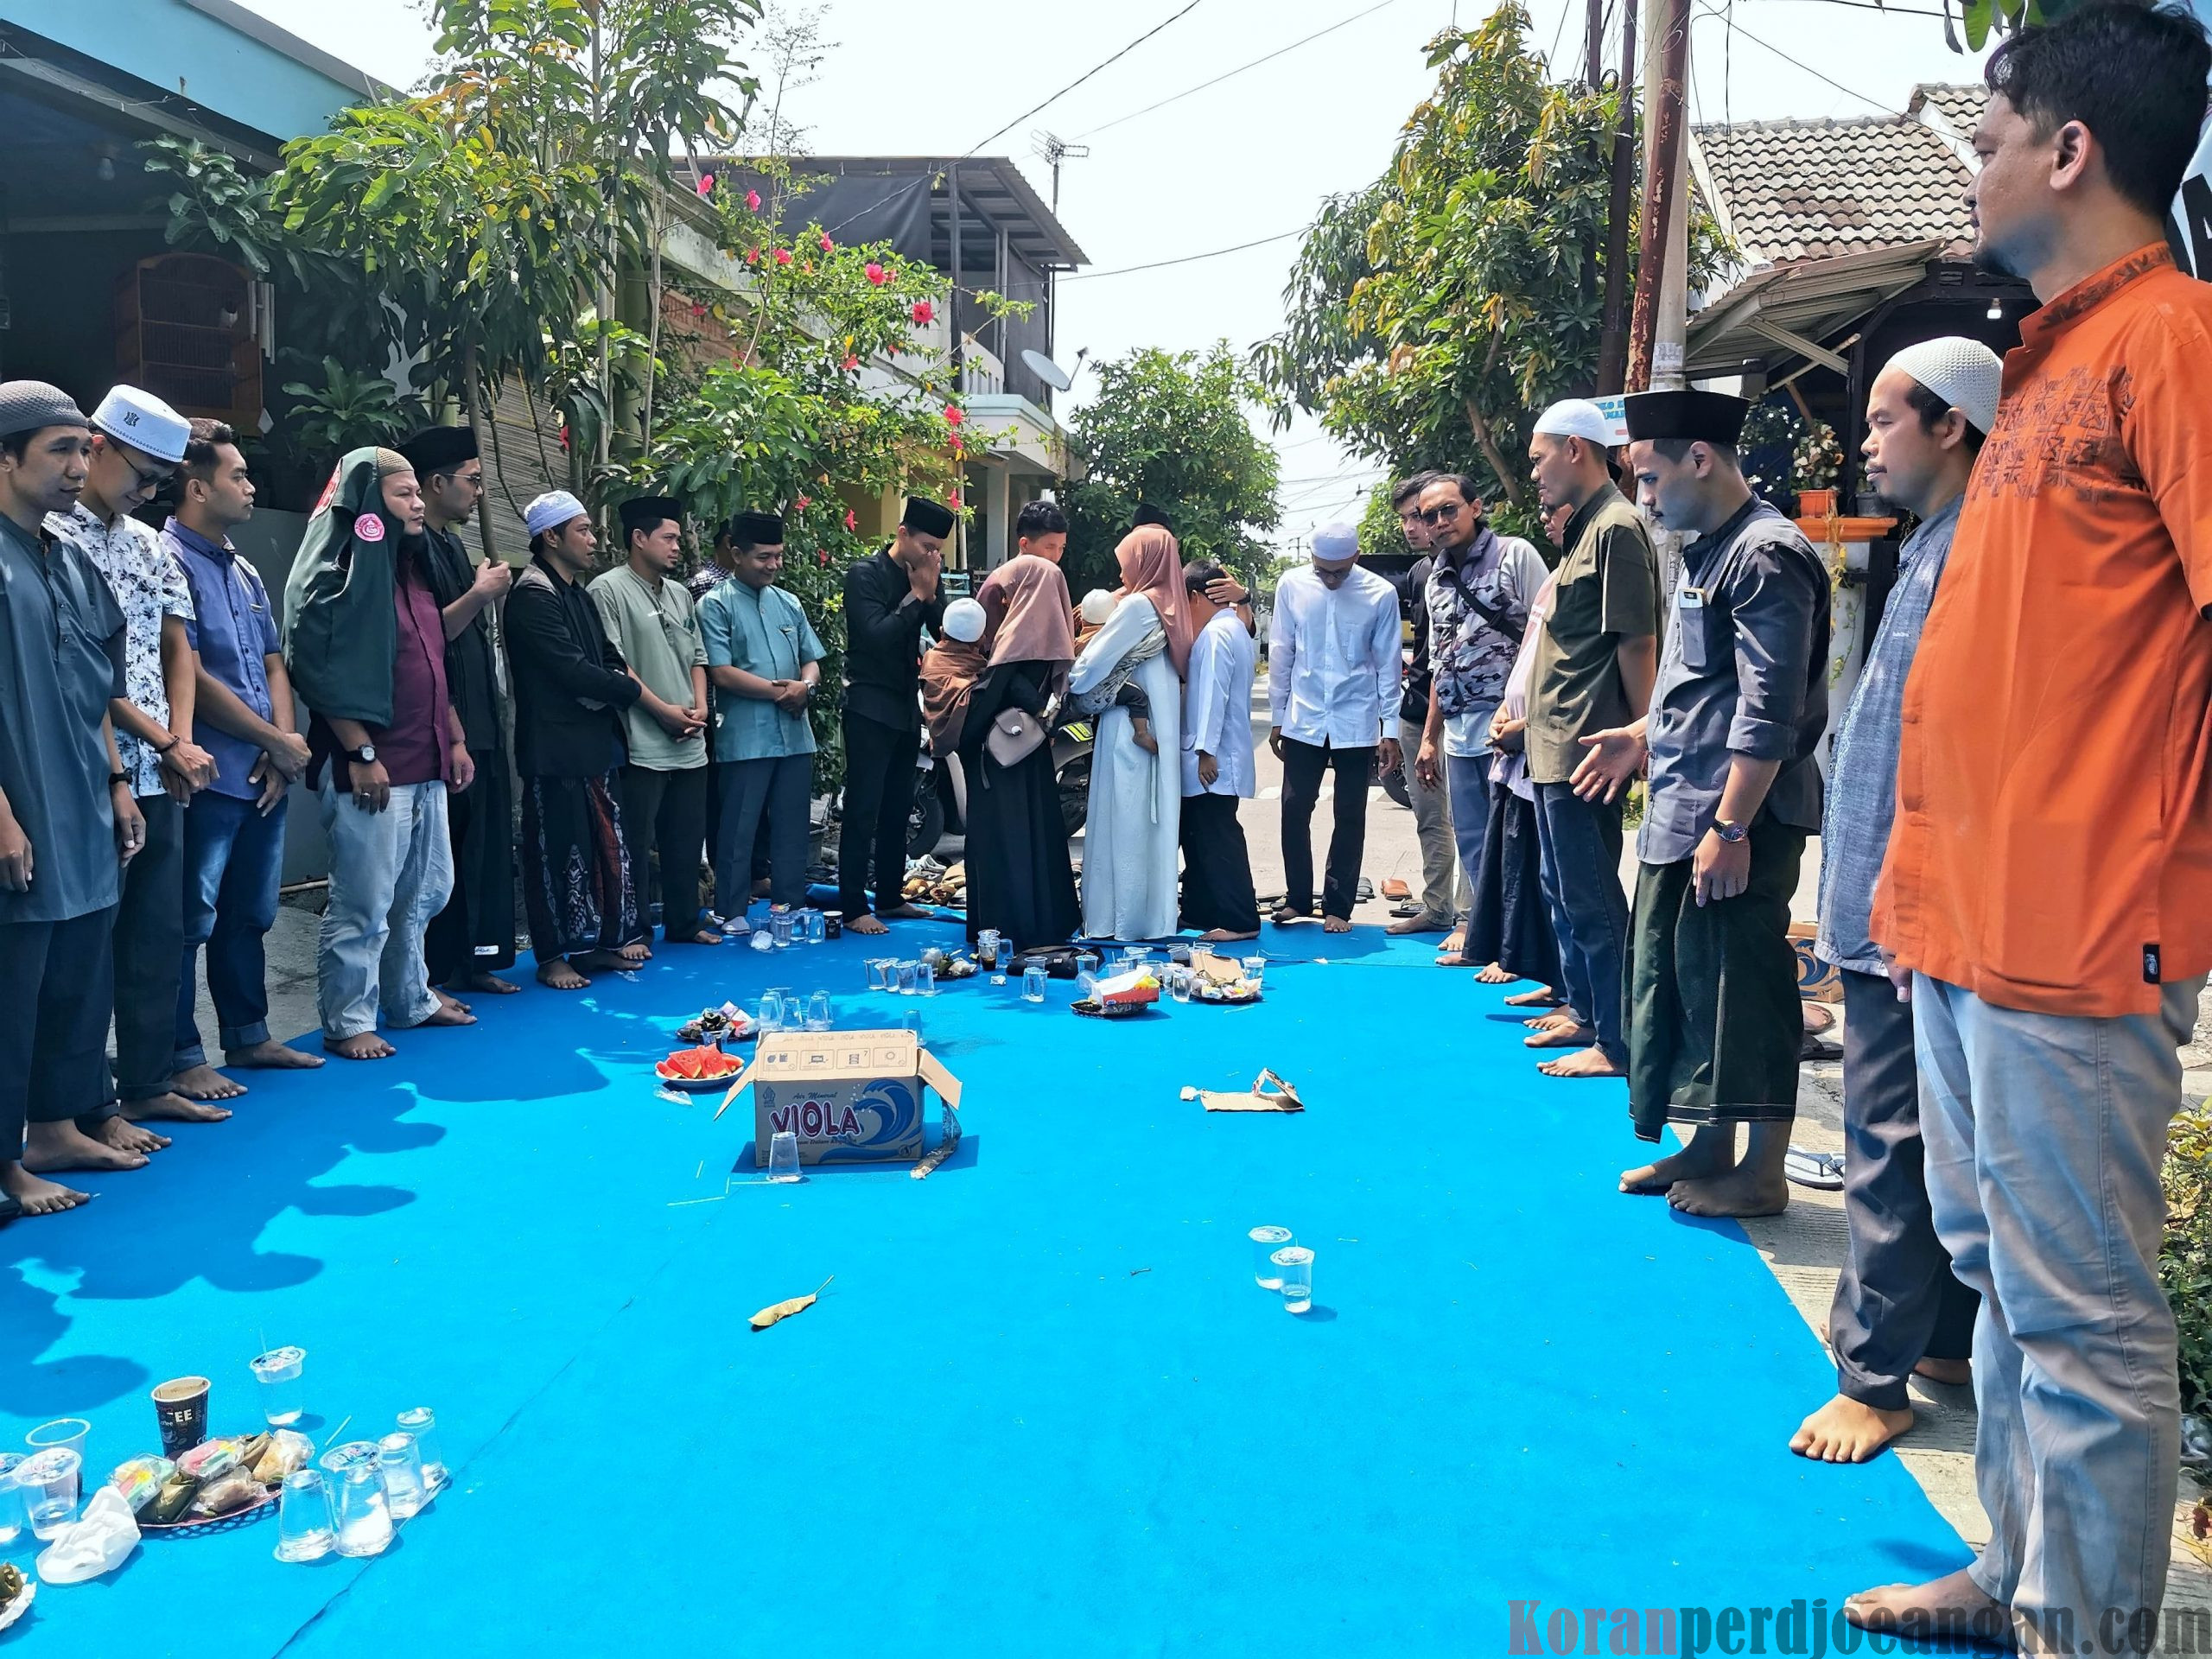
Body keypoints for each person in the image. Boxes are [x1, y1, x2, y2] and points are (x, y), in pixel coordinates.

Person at [1849, 7, 2212, 1646]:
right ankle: (2011, 1579)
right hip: (1960, 922)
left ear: (2071, 151)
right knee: (2000, 1284)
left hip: (2079, 928)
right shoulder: (2055, 355)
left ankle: (2089, 1629)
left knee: (2082, 1319)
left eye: (1990, 135)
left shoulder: (2175, 344)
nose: (1975, 163)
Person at [1789, 339, 1999, 1468]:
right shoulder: (1932, 546)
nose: (1863, 441)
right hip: (1887, 902)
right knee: (1928, 1144)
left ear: (1951, 423)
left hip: (1913, 919)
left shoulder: (1980, 555)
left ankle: (1872, 1376)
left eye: (1882, 419)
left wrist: (1907, 908)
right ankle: (1942, 1345)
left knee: (1888, 1142)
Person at [1576, 390, 1827, 1218]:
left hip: (1735, 821)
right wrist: (1641, 735)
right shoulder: (1708, 550)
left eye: (1650, 480)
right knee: (1691, 987)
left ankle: (1762, 1172)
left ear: (1701, 459)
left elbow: (1769, 710)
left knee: (1744, 989)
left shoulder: (1765, 554)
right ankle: (1711, 1144)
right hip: (1685, 812)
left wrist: (1731, 825)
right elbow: (1702, 688)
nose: (1646, 500)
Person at [0, 383, 147, 1218]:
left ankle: (55, 1126)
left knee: (75, 979)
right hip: (20, 809)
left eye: (83, 450)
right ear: (5, 457)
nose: (77, 466)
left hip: (83, 806)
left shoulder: (71, 561)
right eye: (58, 450)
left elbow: (93, 689)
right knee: (14, 990)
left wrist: (119, 783)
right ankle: (6, 1160)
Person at [52, 388, 212, 1143]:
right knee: (88, 950)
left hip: (161, 769)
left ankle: (147, 1082)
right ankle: (88, 1106)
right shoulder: (50, 534)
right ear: (97, 444)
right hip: (92, 768)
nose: (148, 492)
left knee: (157, 934)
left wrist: (178, 740)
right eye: (141, 474)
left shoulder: (152, 544)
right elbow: (86, 674)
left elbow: (176, 644)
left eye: (160, 482)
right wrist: (162, 742)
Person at [285, 449, 475, 1058]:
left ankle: (410, 997)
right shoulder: (333, 576)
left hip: (426, 762)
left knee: (425, 891)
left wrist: (453, 738)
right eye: (402, 494)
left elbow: (430, 664)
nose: (418, 503)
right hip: (371, 766)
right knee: (364, 902)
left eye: (419, 492)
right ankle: (348, 1020)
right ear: (368, 505)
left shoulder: (410, 571)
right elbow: (316, 668)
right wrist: (361, 751)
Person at [165, 422, 318, 1105]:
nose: (251, 487)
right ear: (198, 487)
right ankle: (178, 1053)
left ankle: (248, 1035)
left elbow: (272, 661)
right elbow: (188, 670)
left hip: (263, 774)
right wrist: (272, 741)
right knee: (188, 918)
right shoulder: (167, 559)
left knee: (251, 913)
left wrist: (283, 746)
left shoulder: (245, 565)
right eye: (238, 476)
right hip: (207, 774)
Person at [1522, 404, 1661, 1079]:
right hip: (1552, 749)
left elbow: (1638, 644)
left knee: (1593, 897)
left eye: (1540, 458)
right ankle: (1584, 1006)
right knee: (1562, 887)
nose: (1535, 475)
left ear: (1577, 449)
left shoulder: (1618, 528)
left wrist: (1646, 740)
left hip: (1590, 750)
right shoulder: (1586, 529)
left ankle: (1617, 1039)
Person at [507, 491, 647, 988]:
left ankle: (598, 945)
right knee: (556, 850)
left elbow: (606, 659)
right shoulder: (530, 596)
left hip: (595, 743)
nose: (593, 540)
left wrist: (614, 685)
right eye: (583, 530)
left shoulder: (578, 595)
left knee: (606, 848)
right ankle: (553, 956)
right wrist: (625, 688)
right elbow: (570, 671)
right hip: (555, 750)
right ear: (551, 537)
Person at [399, 425, 519, 998]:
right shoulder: (415, 548)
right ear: (435, 482)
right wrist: (481, 593)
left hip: (482, 719)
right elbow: (428, 638)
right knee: (443, 855)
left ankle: (478, 960)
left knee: (485, 847)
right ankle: (436, 972)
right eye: (471, 481)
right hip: (449, 724)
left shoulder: (452, 544)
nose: (478, 492)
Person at [1412, 476, 1548, 969]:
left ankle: (1519, 947)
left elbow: (1548, 644)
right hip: (1459, 728)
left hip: (1510, 731)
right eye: (1430, 516)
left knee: (1516, 839)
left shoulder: (1516, 556)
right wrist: (1430, 736)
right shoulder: (1434, 577)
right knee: (1473, 837)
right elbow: (1439, 660)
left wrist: (1526, 719)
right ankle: (1482, 936)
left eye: (1449, 510)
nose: (1440, 522)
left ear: (1476, 506)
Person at [592, 496, 715, 948]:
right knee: (635, 846)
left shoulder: (681, 593)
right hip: (642, 740)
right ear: (638, 539)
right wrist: (663, 712)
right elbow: (614, 664)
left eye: (679, 539)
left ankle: (686, 924)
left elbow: (698, 657)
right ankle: (635, 930)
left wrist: (699, 707)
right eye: (669, 538)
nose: (677, 547)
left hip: (691, 737)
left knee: (686, 841)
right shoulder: (607, 590)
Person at [1268, 522, 1403, 933]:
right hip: (1304, 718)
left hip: (1356, 718)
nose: (1329, 580)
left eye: (1339, 572)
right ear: (1311, 559)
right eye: (1322, 570)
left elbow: (1388, 663)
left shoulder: (1380, 594)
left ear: (1356, 559)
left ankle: (1338, 907)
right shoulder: (1291, 585)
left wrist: (1390, 728)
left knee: (1350, 813)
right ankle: (1296, 899)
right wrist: (1278, 716)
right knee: (1294, 808)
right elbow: (1282, 651)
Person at [698, 510, 823, 921]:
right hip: (745, 735)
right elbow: (721, 672)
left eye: (778, 556)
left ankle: (789, 907)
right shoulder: (715, 605)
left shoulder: (789, 603)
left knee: (791, 830)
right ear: (736, 554)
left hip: (794, 733)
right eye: (763, 557)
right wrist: (782, 692)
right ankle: (731, 912)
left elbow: (812, 660)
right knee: (738, 830)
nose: (773, 565)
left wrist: (804, 686)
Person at [1070, 525, 1192, 940]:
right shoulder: (1172, 607)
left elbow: (1093, 665)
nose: (1122, 576)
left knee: (1124, 818)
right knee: (1148, 821)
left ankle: (1118, 918)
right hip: (1158, 722)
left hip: (1128, 729)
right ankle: (1152, 918)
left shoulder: (1138, 606)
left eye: (1127, 565)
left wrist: (1070, 677)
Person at [838, 496, 950, 935]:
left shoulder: (927, 573)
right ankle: (852, 906)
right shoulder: (864, 575)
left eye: (939, 548)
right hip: (867, 705)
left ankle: (889, 896)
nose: (932, 555)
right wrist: (916, 596)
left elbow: (943, 632)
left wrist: (933, 592)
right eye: (926, 545)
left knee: (898, 808)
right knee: (863, 808)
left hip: (905, 707)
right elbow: (877, 635)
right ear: (902, 534)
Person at [958, 552, 1079, 950]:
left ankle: (1006, 927)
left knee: (1005, 839)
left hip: (1001, 761)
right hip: (1032, 755)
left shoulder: (1014, 641)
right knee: (1037, 837)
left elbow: (985, 703)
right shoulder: (1050, 640)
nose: (1004, 600)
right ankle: (1044, 920)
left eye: (1010, 591)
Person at [1383, 472, 1465, 944]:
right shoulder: (1419, 575)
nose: (1415, 527)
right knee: (1431, 817)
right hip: (1417, 713)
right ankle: (1439, 909)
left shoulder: (1497, 561)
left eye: (1423, 516)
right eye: (1410, 518)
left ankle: (1474, 917)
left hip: (1467, 715)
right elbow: (1428, 652)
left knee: (1473, 818)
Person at [1178, 558, 1260, 942]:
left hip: (1213, 756)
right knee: (1202, 836)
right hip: (1217, 752)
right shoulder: (1234, 628)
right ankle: (1202, 909)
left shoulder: (1215, 635)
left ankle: (1240, 919)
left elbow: (1213, 695)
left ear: (1196, 596)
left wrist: (1205, 750)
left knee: (1217, 837)